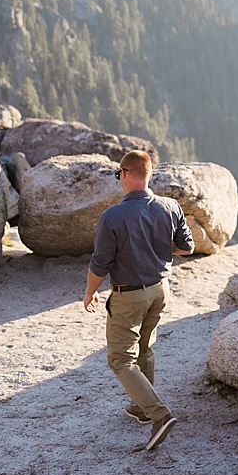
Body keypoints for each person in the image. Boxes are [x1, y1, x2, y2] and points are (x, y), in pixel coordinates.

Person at [81, 149, 192, 452]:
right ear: (149, 175)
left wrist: (90, 292)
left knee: (119, 359)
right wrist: (156, 249)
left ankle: (159, 415)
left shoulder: (112, 216)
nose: (119, 179)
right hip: (160, 289)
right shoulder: (170, 206)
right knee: (145, 348)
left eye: (119, 174)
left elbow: (100, 263)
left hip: (128, 295)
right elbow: (187, 247)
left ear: (126, 174)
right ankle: (142, 408)